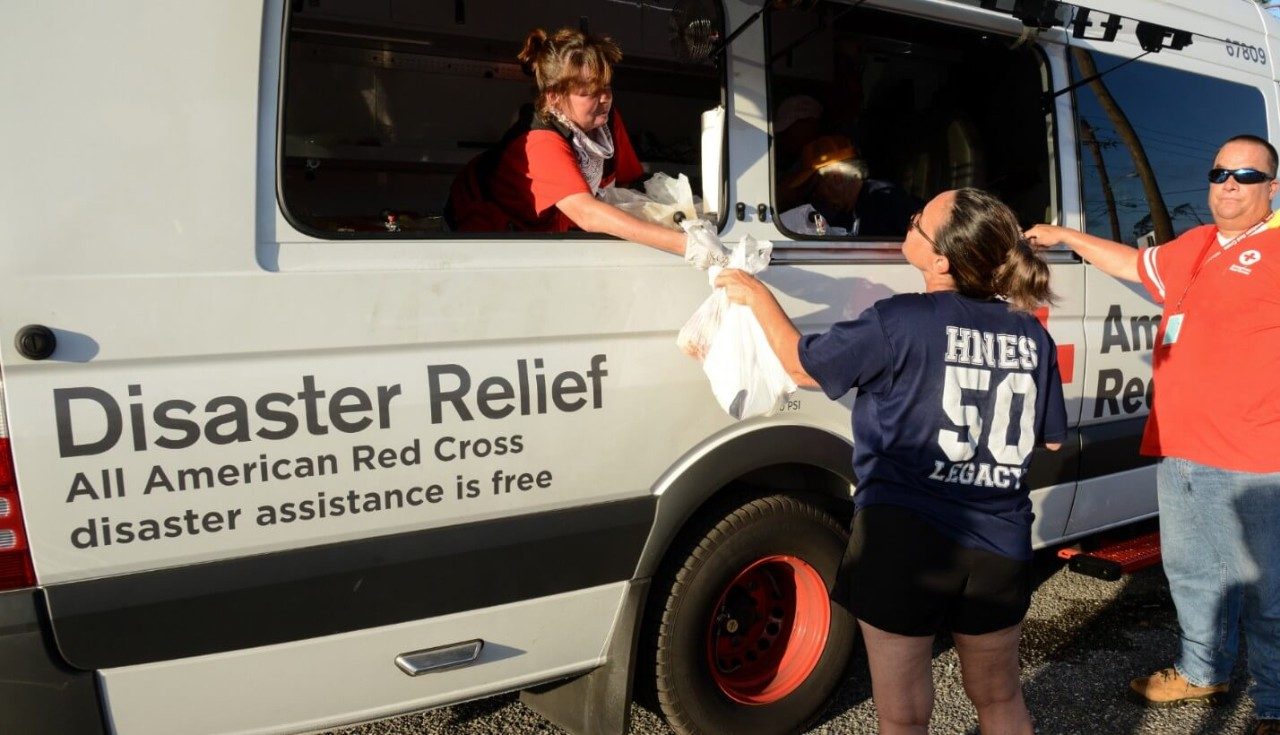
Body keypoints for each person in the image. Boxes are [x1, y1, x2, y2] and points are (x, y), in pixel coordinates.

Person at [717, 187, 1066, 734]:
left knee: (903, 716)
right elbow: (1049, 441)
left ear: (942, 260)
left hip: (905, 540)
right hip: (1001, 541)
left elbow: (803, 366)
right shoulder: (1031, 333)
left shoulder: (899, 320)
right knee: (999, 697)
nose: (908, 222)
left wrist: (756, 294)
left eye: (918, 222)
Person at [1026, 133, 1280, 735]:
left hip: (1255, 454)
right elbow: (1135, 264)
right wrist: (1066, 238)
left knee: (1267, 590)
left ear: (1272, 187)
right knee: (1192, 572)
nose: (1227, 186)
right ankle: (1202, 670)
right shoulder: (1197, 244)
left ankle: (1273, 701)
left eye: (1246, 176)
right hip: (1179, 446)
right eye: (1219, 173)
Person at [445, 28, 715, 265]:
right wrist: (689, 246)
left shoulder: (605, 122)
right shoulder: (538, 143)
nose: (604, 99)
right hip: (489, 226)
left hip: (557, 226)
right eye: (588, 93)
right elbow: (587, 213)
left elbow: (629, 183)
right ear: (554, 97)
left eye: (606, 87)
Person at [778, 134, 920, 238]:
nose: (817, 196)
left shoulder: (884, 199)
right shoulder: (851, 212)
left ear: (836, 177)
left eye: (817, 188)